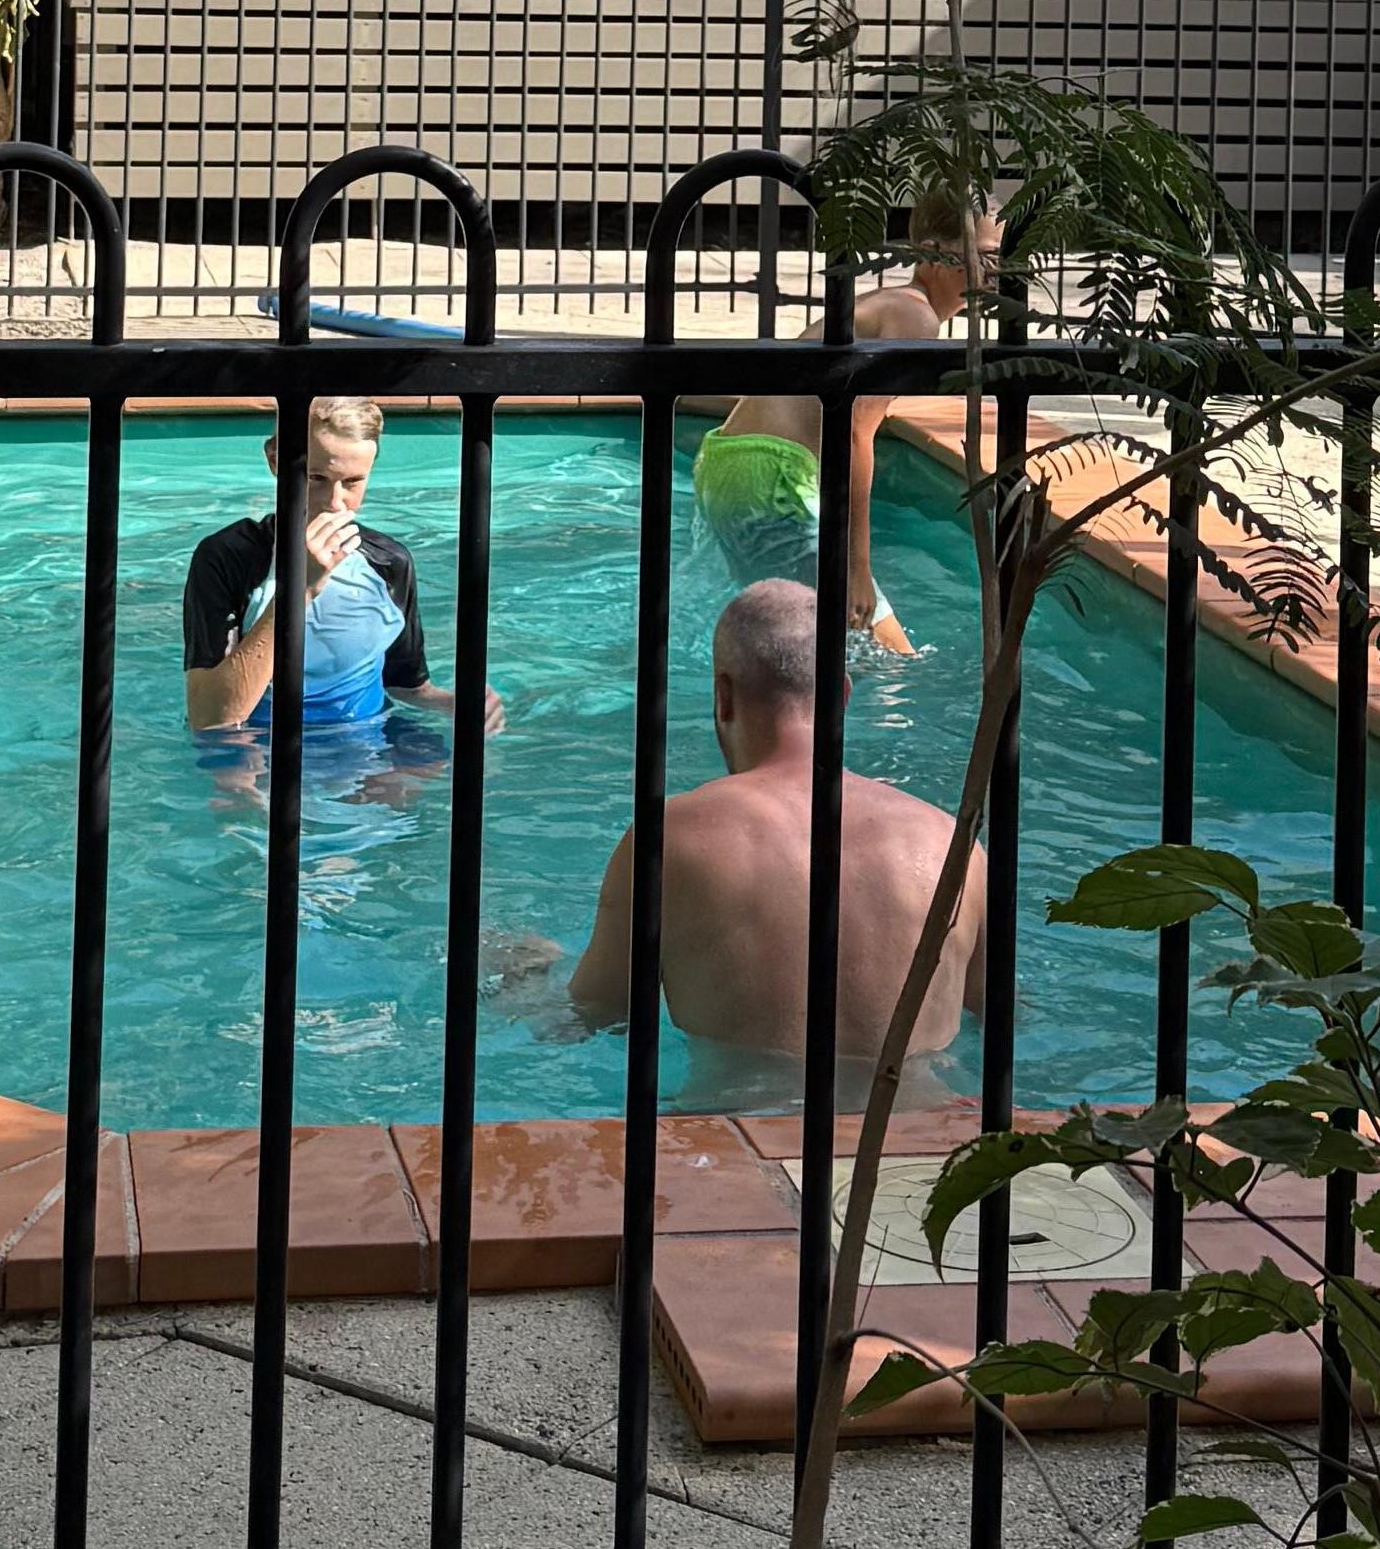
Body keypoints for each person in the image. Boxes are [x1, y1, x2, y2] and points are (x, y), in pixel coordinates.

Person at [524, 579, 970, 1078]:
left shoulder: (673, 838)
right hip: (922, 1143)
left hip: (735, 1128)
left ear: (723, 696)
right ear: (842, 695)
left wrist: (523, 978)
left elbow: (584, 1023)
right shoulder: (952, 844)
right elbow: (999, 1012)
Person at [688, 198, 983, 658]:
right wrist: (857, 569)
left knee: (802, 643)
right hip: (773, 476)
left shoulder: (889, 304)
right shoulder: (914, 315)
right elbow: (855, 432)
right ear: (932, 252)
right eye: (984, 255)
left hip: (733, 463)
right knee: (891, 662)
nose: (998, 270)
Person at [180, 395, 492, 744]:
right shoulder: (227, 557)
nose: (334, 501)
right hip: (258, 743)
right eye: (317, 477)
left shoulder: (389, 563)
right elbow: (211, 719)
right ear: (275, 460)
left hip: (367, 736)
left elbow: (407, 686)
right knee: (234, 787)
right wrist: (301, 588)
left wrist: (457, 705)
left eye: (353, 482)